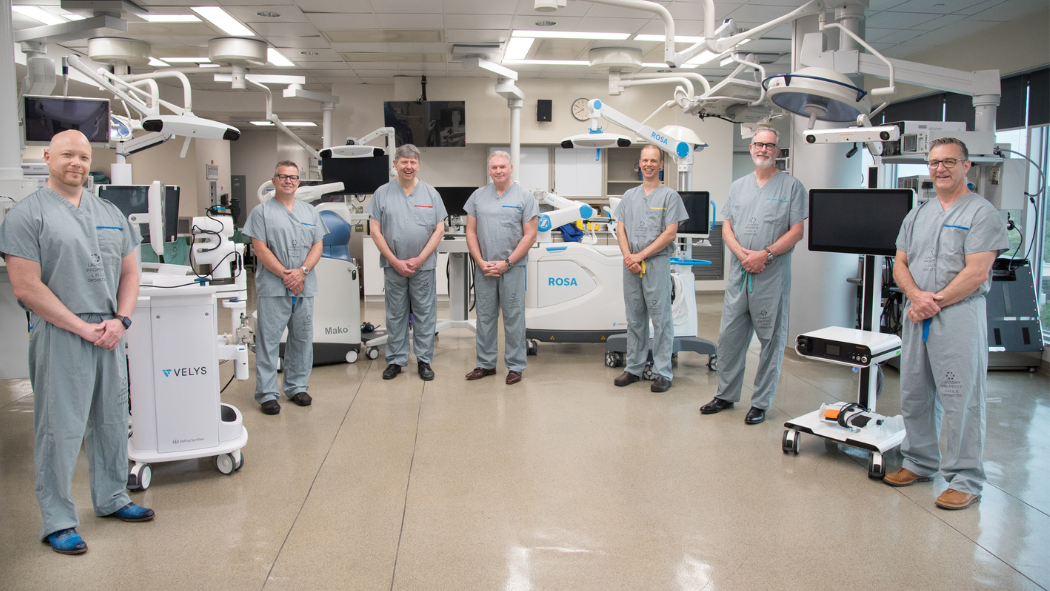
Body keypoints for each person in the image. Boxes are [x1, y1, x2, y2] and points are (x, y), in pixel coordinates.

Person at [0, 130, 154, 555]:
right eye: (68, 154)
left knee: (109, 420)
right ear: (48, 157)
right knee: (60, 429)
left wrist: (120, 320)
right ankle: (58, 520)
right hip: (60, 334)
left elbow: (129, 274)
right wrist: (80, 327)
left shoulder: (110, 212)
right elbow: (27, 287)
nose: (77, 163)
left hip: (109, 331)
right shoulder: (26, 216)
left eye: (84, 157)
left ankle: (112, 498)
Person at [885, 137, 1007, 510]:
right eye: (935, 162)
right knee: (914, 393)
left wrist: (931, 302)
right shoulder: (918, 214)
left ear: (966, 166)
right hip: (917, 313)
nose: (941, 168)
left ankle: (966, 479)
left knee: (961, 399)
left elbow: (977, 272)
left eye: (949, 161)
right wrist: (917, 298)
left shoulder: (982, 213)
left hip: (957, 317)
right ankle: (920, 462)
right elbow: (900, 263)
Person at [699, 128, 806, 424]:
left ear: (777, 150)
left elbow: (797, 231)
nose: (764, 149)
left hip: (771, 275)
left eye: (770, 145)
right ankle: (725, 394)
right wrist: (742, 254)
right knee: (730, 337)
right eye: (759, 144)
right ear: (751, 147)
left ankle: (760, 402)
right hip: (740, 272)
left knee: (770, 339)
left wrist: (765, 255)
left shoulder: (792, 187)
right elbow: (727, 227)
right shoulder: (738, 186)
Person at [243, 161, 329, 415]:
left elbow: (317, 246)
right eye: (283, 176)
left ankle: (296, 386)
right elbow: (260, 249)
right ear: (274, 180)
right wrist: (285, 274)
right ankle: (268, 394)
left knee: (302, 339)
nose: (288, 181)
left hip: (304, 285)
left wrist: (301, 273)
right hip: (274, 286)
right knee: (269, 341)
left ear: (299, 182)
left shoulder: (310, 213)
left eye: (293, 177)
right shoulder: (261, 213)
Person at [612, 145, 689, 393]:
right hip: (630, 265)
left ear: (661, 165)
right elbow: (620, 228)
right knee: (635, 318)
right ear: (640, 163)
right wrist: (628, 257)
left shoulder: (670, 196)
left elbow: (670, 233)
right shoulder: (629, 195)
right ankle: (634, 368)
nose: (648, 164)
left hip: (655, 263)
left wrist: (640, 255)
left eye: (653, 160)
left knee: (661, 319)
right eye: (645, 160)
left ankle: (663, 372)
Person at [367, 144, 447, 381]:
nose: (408, 166)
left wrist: (420, 259)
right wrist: (395, 261)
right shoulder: (382, 193)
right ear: (395, 164)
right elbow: (375, 231)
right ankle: (396, 360)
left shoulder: (431, 193)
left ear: (418, 165)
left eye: (413, 162)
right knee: (396, 314)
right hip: (394, 266)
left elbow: (439, 229)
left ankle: (424, 360)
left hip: (423, 266)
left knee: (425, 313)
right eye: (404, 162)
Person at [463, 151, 539, 385]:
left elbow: (530, 235)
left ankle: (515, 366)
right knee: (485, 317)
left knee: (514, 317)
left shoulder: (525, 197)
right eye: (494, 167)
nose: (498, 171)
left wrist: (507, 263)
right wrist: (479, 260)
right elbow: (471, 232)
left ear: (511, 168)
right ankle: (486, 364)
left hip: (512, 268)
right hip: (485, 267)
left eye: (502, 167)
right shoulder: (478, 196)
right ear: (489, 170)